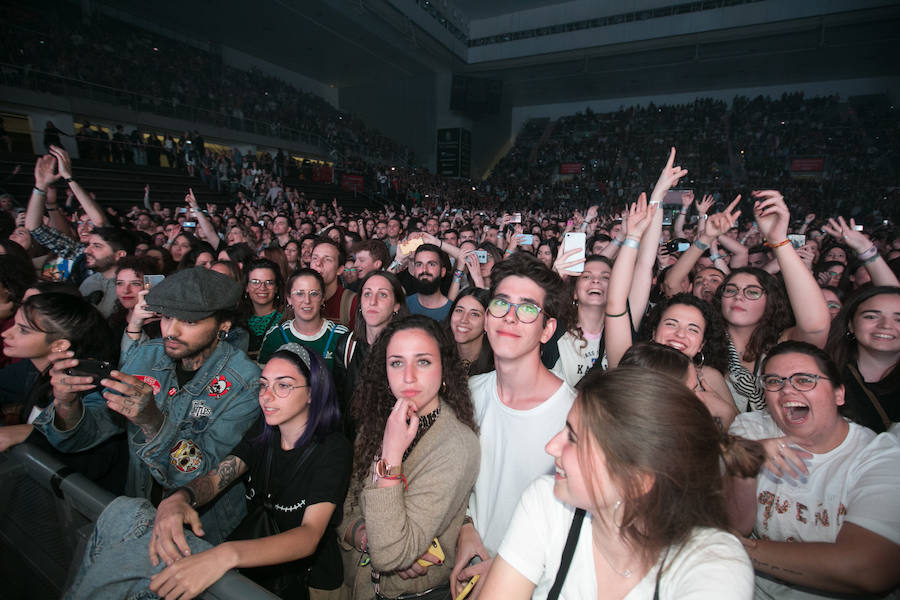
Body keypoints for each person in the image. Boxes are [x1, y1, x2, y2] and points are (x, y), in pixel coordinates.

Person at [64, 343, 353, 600]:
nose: (267, 396)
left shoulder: (332, 448)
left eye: (284, 385)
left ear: (314, 393)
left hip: (309, 581)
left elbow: (309, 536)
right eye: (264, 385)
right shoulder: (265, 432)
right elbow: (218, 477)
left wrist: (225, 554)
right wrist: (181, 498)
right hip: (258, 568)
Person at [481, 367, 762, 599]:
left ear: (636, 482)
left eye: (573, 438)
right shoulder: (547, 503)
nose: (551, 447)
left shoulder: (713, 562)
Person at [33, 268, 261, 543]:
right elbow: (92, 431)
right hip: (138, 510)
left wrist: (153, 421)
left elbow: (201, 475)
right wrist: (67, 405)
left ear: (223, 325)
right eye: (166, 317)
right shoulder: (146, 355)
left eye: (189, 322)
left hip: (202, 529)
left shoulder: (245, 383)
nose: (171, 332)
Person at [728, 341, 900, 599]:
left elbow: (866, 569)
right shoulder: (751, 429)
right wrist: (746, 465)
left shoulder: (877, 455)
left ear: (838, 394)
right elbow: (736, 524)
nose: (787, 390)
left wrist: (730, 547)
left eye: (804, 380)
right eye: (774, 381)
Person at [451, 254, 576, 599]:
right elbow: (456, 484)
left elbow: (579, 525)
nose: (509, 316)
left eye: (527, 309)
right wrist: (465, 529)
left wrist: (512, 566)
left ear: (547, 329)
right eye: (501, 303)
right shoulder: (468, 397)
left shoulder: (575, 416)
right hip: (467, 574)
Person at [339, 315, 480, 599]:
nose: (408, 376)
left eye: (423, 361)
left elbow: (391, 555)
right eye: (397, 362)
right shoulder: (379, 422)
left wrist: (390, 455)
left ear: (444, 368)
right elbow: (347, 507)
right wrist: (364, 536)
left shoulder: (456, 445)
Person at [717, 191, 830, 412]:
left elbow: (815, 326)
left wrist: (778, 240)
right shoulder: (704, 341)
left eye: (752, 292)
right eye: (731, 290)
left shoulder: (782, 343)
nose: (739, 296)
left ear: (770, 303)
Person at [333, 271, 408, 434]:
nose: (372, 302)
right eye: (367, 294)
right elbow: (338, 402)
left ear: (396, 305)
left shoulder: (407, 351)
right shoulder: (347, 345)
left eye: (382, 295)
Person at [825, 286, 899, 433]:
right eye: (871, 316)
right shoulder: (824, 373)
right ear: (851, 324)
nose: (885, 326)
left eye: (899, 319)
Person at [258, 269, 348, 368]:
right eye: (299, 294)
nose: (307, 301)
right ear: (289, 299)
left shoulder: (340, 335)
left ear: (322, 298)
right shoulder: (275, 336)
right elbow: (264, 380)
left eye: (314, 293)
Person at [238, 258, 284, 361]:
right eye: (255, 282)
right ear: (247, 287)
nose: (262, 287)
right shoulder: (236, 319)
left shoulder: (286, 319)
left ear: (276, 287)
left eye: (269, 282)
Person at [311, 238, 359, 329]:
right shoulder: (298, 298)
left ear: (340, 269)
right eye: (315, 258)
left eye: (327, 259)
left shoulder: (352, 302)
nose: (318, 263)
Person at [445, 288, 493, 376]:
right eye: (459, 310)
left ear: (487, 322)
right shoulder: (439, 357)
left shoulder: (496, 367)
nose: (463, 319)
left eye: (474, 314)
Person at [406, 244, 452, 321]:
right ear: (414, 271)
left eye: (431, 264)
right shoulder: (404, 306)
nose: (424, 270)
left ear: (442, 272)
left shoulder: (453, 312)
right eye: (419, 264)